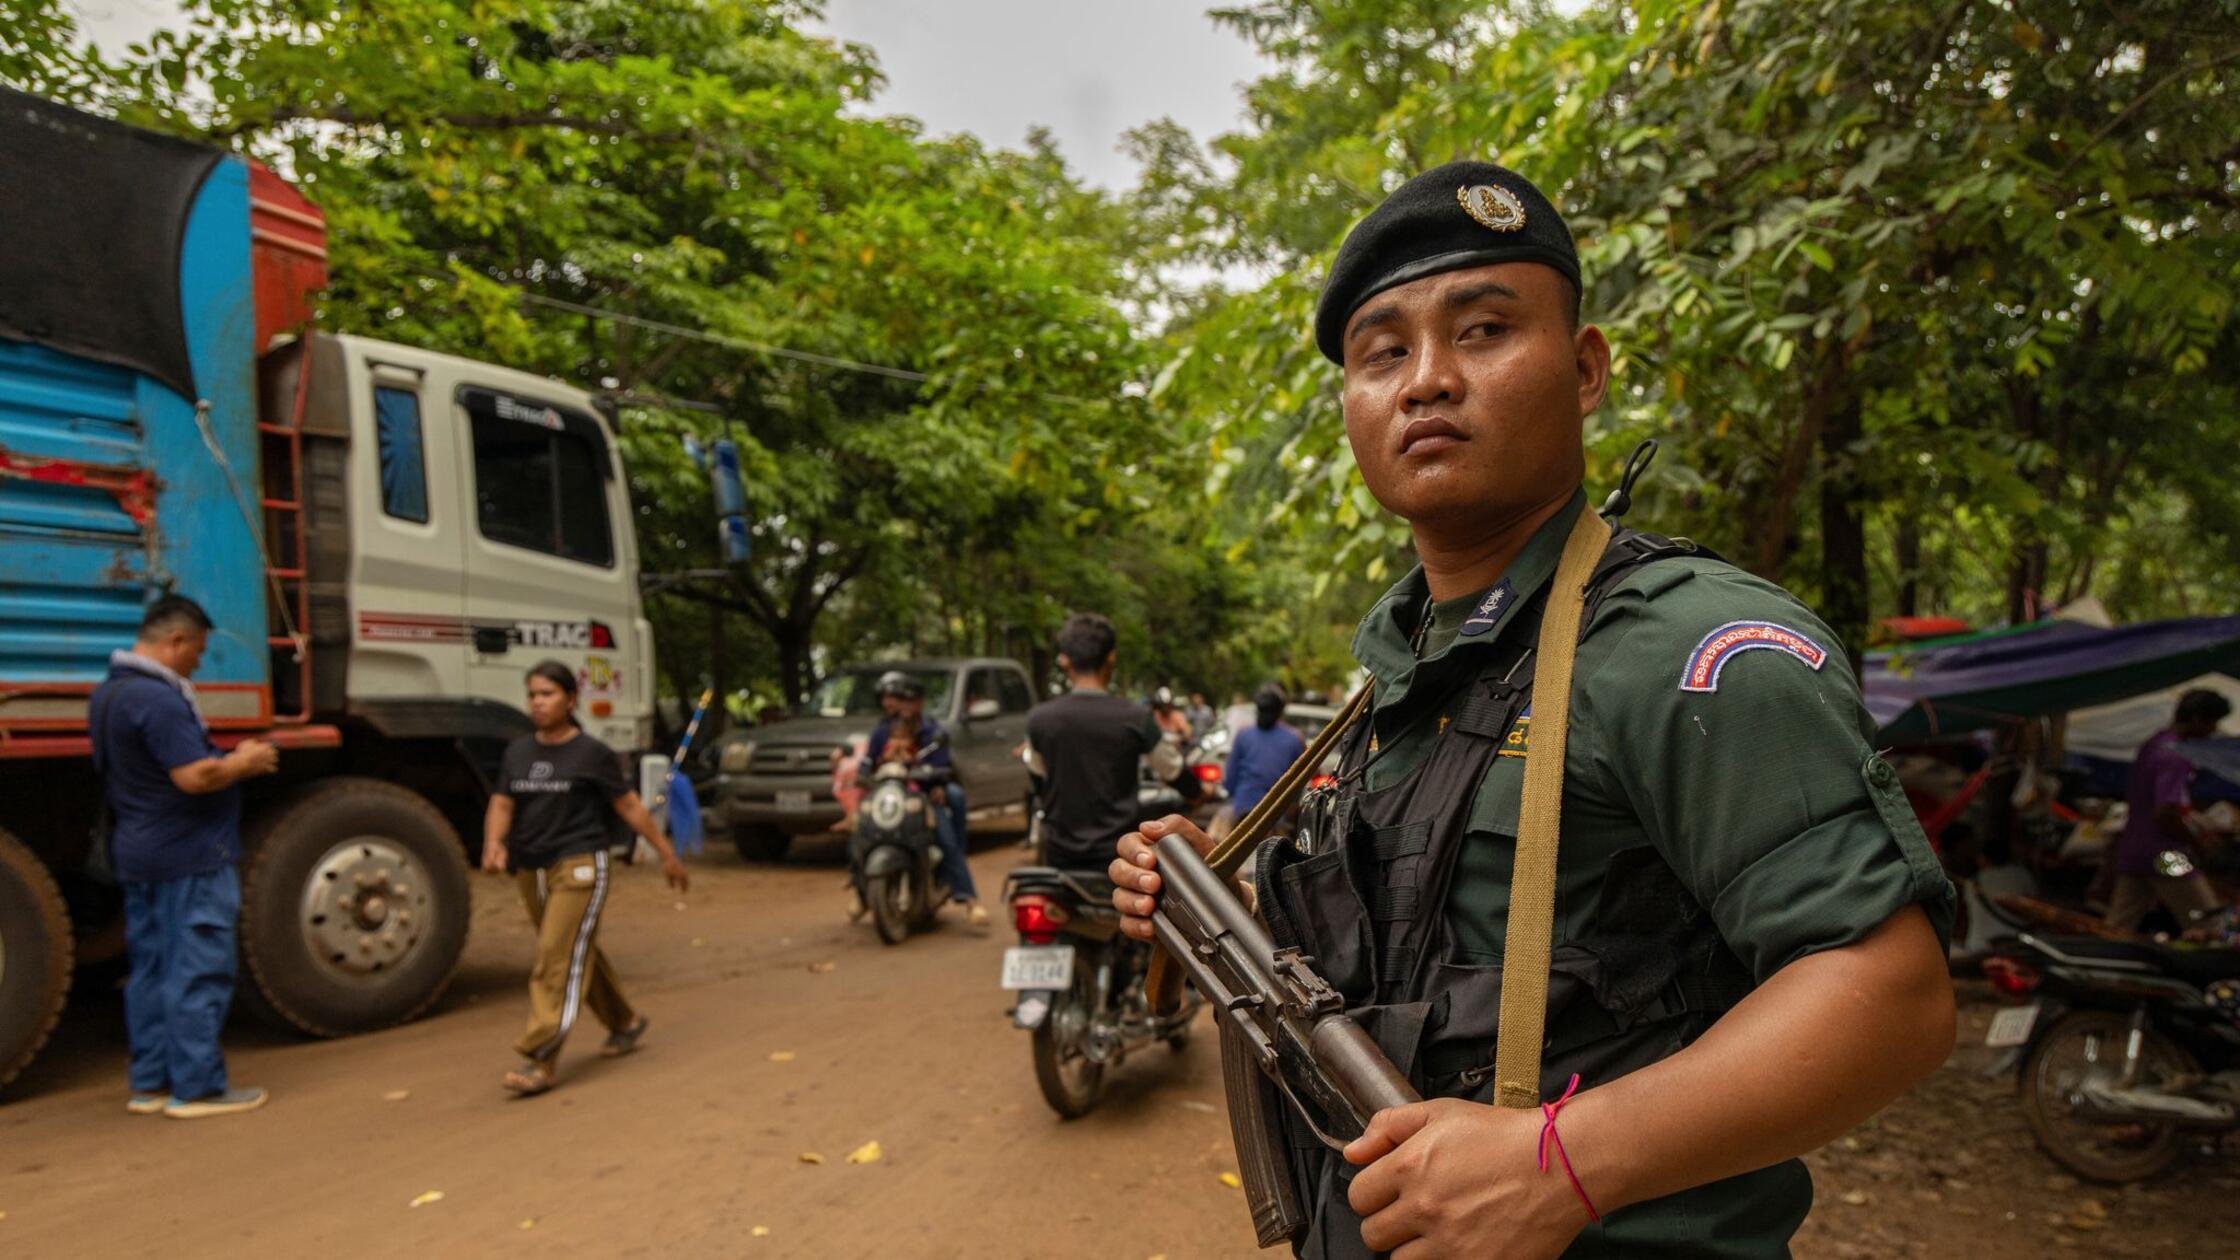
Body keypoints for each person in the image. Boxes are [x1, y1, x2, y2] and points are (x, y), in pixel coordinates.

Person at [1108, 160, 1955, 1258]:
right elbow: (1413, 962)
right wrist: (1208, 892)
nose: (1424, 381)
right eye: (1381, 353)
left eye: (1483, 330)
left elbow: (1889, 997)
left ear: (1584, 365)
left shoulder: (1684, 648)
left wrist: (1565, 1163)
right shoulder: (1393, 679)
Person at [90, 595, 280, 1118]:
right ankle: (196, 1088)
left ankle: (149, 1083)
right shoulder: (157, 699)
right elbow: (193, 776)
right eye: (196, 650)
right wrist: (244, 761)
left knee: (150, 968)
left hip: (141, 850)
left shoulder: (109, 694)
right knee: (198, 966)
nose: (199, 660)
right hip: (187, 854)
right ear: (174, 642)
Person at [482, 661, 690, 1096]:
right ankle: (624, 1021)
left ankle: (541, 1057)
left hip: (580, 864)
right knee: (574, 948)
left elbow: (630, 806)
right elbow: (502, 803)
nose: (538, 702)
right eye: (533, 694)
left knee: (554, 957)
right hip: (531, 867)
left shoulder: (592, 753)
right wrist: (494, 844)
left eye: (548, 694)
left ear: (570, 700)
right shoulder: (518, 752)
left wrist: (667, 854)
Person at [1025, 614, 1192, 871]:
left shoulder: (1039, 720)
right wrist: (1201, 792)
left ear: (1065, 660)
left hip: (1060, 856)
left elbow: (1038, 780)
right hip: (1120, 856)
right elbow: (1174, 771)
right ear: (1111, 658)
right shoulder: (1136, 718)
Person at [861, 670, 989, 926]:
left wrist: (936, 781)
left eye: (908, 700)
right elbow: (866, 763)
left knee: (946, 834)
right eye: (898, 700)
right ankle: (857, 888)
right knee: (860, 829)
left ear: (919, 702)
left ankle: (969, 898)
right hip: (890, 797)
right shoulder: (882, 731)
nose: (901, 706)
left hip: (922, 796)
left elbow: (941, 765)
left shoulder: (933, 731)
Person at [2106, 689, 2233, 933]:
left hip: (2134, 850)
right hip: (2165, 856)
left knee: (2119, 925)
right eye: (2212, 722)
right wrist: (2198, 843)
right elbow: (2166, 813)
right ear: (2197, 719)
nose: (2213, 730)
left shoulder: (2154, 744)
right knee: (2209, 921)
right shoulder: (2176, 756)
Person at [1211, 683, 1307, 841]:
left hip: (1243, 812)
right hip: (1276, 816)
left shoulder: (1244, 735)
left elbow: (1230, 780)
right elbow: (1299, 784)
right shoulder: (1295, 738)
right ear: (1280, 711)